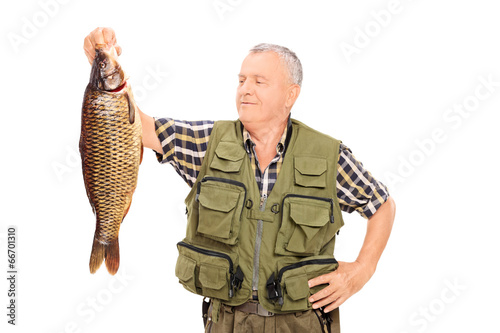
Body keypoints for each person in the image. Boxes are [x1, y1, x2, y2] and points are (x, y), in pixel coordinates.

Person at [83, 27, 396, 333]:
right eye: (242, 80)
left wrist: (361, 271)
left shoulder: (329, 156)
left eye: (260, 81)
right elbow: (140, 128)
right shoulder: (208, 143)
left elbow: (382, 205)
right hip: (227, 321)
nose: (246, 89)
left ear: (291, 95)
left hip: (302, 323)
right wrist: (102, 65)